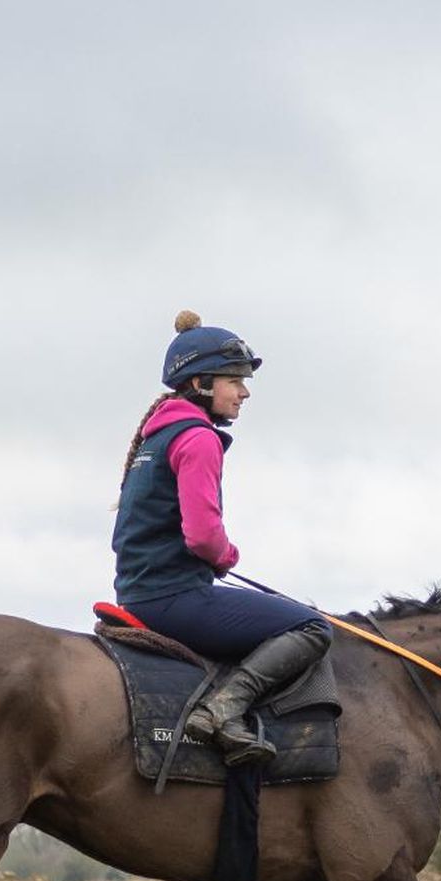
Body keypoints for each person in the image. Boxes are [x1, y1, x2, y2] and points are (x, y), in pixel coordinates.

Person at [109, 312, 331, 764]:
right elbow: (203, 536)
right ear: (201, 383)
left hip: (139, 594)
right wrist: (227, 556)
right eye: (235, 381)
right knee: (313, 626)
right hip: (174, 597)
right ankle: (222, 709)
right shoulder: (198, 439)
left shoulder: (159, 436)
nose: (244, 392)